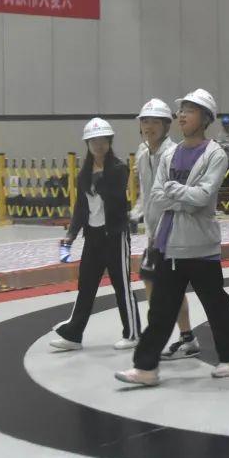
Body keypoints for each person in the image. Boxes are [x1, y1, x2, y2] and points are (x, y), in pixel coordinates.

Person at [115, 88, 229, 386]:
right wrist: (182, 196)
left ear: (206, 118)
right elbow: (157, 195)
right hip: (168, 243)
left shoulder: (215, 154)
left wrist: (176, 193)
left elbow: (203, 197)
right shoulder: (170, 154)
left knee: (215, 304)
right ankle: (146, 367)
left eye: (190, 110)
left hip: (201, 246)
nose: (182, 115)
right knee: (161, 309)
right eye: (182, 110)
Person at [51, 118, 141, 351]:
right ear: (88, 144)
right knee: (86, 286)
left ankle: (132, 333)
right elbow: (81, 207)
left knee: (122, 285)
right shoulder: (83, 174)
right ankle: (73, 335)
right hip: (93, 237)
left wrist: (95, 180)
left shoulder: (118, 169)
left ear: (109, 142)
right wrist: (72, 233)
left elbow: (114, 196)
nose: (98, 145)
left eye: (103, 141)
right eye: (93, 141)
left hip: (115, 236)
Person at [128, 99, 197, 359]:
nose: (149, 126)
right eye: (145, 121)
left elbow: (174, 195)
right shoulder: (142, 153)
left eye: (155, 121)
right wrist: (136, 213)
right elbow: (146, 193)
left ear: (167, 125)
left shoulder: (174, 154)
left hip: (172, 232)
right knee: (153, 281)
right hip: (153, 233)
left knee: (165, 287)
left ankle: (160, 340)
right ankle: (183, 337)